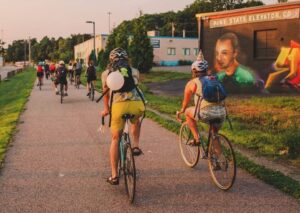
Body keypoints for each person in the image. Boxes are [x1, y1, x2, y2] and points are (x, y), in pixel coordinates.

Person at [101, 48, 145, 185]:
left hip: (118, 106)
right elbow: (137, 85)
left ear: (111, 59)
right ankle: (136, 145)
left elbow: (106, 94)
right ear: (127, 59)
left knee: (115, 138)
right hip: (136, 104)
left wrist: (106, 109)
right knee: (136, 119)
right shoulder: (135, 71)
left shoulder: (106, 73)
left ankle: (114, 176)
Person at [176, 58, 226, 148]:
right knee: (214, 135)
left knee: (187, 112)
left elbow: (185, 104)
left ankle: (197, 139)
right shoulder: (214, 79)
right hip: (222, 113)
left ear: (194, 71)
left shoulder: (192, 83)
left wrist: (180, 111)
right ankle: (220, 159)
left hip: (206, 113)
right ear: (206, 70)